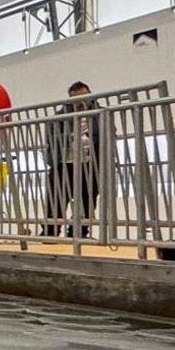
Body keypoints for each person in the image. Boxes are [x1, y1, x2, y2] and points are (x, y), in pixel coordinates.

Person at [46, 81, 105, 239]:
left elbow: (106, 135)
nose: (81, 101)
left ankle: (78, 233)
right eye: (76, 98)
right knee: (56, 198)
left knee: (87, 199)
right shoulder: (60, 117)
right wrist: (71, 133)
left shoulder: (101, 114)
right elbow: (52, 139)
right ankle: (50, 232)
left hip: (91, 164)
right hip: (63, 163)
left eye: (85, 97)